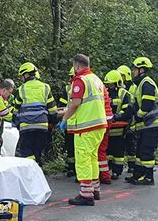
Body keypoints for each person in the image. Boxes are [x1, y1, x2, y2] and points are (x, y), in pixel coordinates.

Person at [60, 54, 107, 206]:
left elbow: (75, 103)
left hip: (86, 126)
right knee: (92, 157)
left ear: (78, 66)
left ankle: (86, 195)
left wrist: (64, 119)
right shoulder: (96, 79)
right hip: (99, 125)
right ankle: (95, 189)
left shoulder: (80, 80)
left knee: (83, 159)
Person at [126, 57, 158, 185]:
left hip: (152, 123)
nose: (132, 71)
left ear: (141, 69)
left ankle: (148, 177)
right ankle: (138, 175)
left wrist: (137, 115)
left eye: (134, 69)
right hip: (145, 124)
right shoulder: (140, 84)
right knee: (140, 151)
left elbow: (147, 104)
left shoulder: (147, 83)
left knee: (146, 150)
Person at [14, 62, 58, 166]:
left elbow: (16, 110)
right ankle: (37, 168)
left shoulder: (21, 89)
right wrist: (53, 122)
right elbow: (52, 109)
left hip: (26, 126)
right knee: (37, 151)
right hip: (42, 126)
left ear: (26, 75)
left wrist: (15, 122)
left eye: (22, 76)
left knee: (27, 151)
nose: (21, 79)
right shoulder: (46, 87)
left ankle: (31, 170)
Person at [104, 70, 133, 180]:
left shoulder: (124, 94)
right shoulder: (105, 92)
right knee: (107, 151)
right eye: (108, 84)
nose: (109, 86)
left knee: (118, 152)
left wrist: (116, 117)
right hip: (107, 128)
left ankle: (117, 171)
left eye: (111, 83)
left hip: (119, 129)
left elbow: (126, 111)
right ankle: (108, 169)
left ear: (117, 83)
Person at [57, 67, 76, 177]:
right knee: (70, 147)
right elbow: (62, 105)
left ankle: (75, 168)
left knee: (74, 147)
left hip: (75, 123)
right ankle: (71, 168)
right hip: (70, 123)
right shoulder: (67, 89)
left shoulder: (81, 87)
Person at [118, 65, 137, 174]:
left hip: (133, 120)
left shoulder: (133, 87)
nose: (120, 78)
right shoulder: (120, 89)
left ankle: (132, 166)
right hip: (122, 120)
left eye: (122, 76)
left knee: (131, 145)